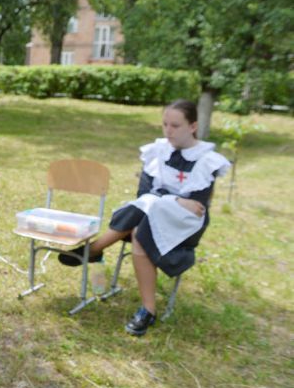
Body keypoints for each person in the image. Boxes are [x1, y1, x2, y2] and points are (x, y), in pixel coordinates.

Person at [58, 99, 230, 336]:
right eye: (165, 124)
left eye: (175, 125)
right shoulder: (157, 151)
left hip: (185, 225)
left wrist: (173, 202)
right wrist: (177, 199)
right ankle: (147, 310)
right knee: (143, 223)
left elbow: (196, 208)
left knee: (150, 208)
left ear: (192, 126)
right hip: (148, 215)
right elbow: (144, 194)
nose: (168, 130)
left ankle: (94, 249)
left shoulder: (206, 159)